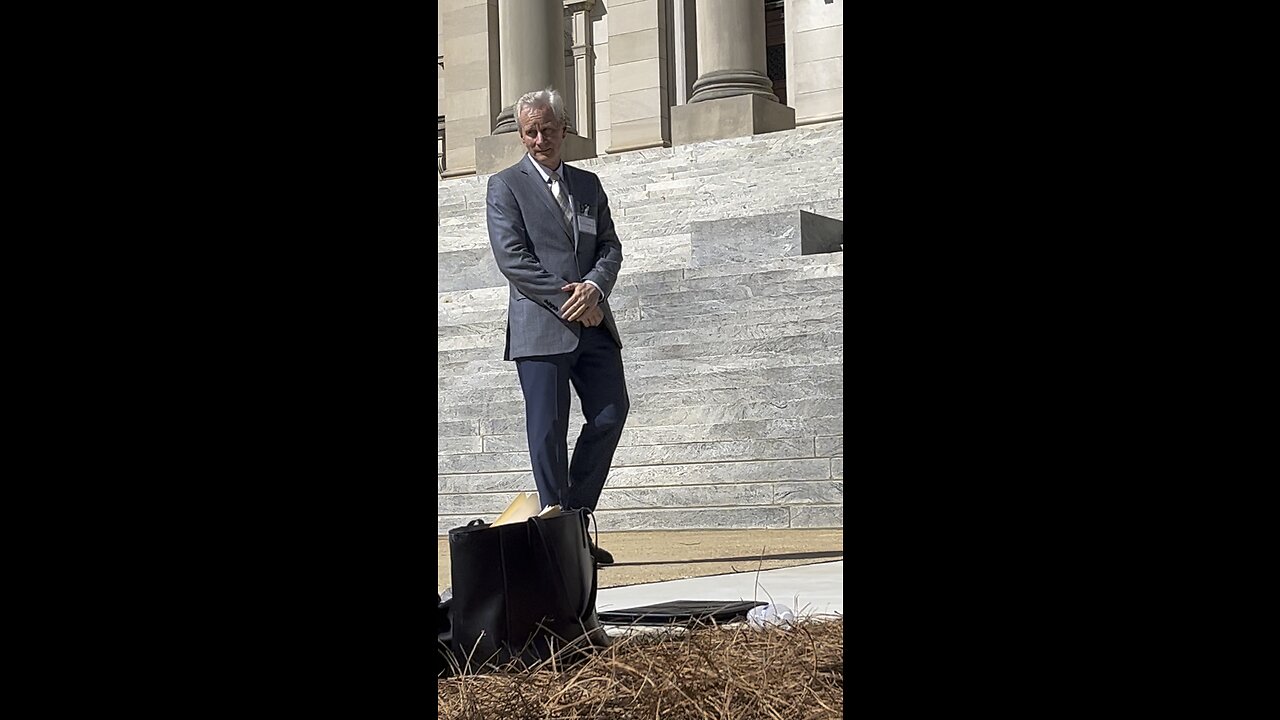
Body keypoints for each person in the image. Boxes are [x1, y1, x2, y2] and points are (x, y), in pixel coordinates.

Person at [485, 87, 629, 565]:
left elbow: (609, 247)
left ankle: (574, 518)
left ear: (564, 128)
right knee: (547, 429)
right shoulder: (505, 186)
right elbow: (513, 260)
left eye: (547, 129)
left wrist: (596, 287)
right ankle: (560, 541)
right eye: (530, 131)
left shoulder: (588, 185)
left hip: (594, 325)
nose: (539, 138)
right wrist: (573, 298)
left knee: (610, 413)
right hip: (542, 324)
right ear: (522, 135)